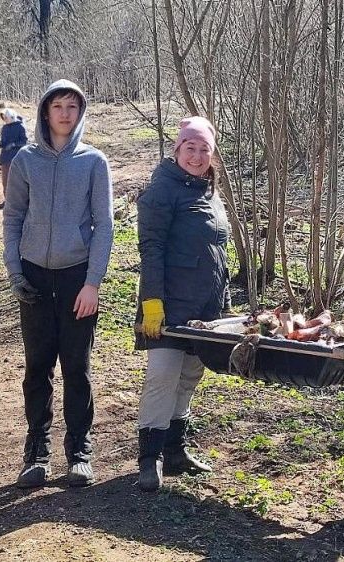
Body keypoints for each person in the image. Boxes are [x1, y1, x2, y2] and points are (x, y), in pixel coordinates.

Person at [2, 79, 114, 488]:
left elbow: (104, 225)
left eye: (72, 106)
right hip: (33, 274)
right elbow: (13, 217)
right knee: (37, 368)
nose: (65, 113)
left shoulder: (93, 162)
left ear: (80, 113)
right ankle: (36, 452)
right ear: (44, 112)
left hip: (76, 278)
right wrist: (15, 271)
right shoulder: (26, 161)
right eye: (58, 106)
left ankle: (80, 452)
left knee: (77, 367)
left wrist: (93, 283)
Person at [134, 116, 229, 492]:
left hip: (204, 308)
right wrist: (152, 303)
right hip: (169, 304)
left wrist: (220, 304)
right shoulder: (162, 190)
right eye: (190, 147)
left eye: (205, 149)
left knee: (190, 375)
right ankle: (149, 457)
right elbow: (151, 249)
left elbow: (215, 251)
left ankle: (175, 450)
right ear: (177, 149)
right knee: (162, 376)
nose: (197, 155)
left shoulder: (208, 190)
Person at [0, 108, 28, 210]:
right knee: (5, 181)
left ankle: (19, 202)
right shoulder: (5, 128)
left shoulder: (20, 126)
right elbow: (3, 141)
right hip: (5, 157)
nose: (4, 119)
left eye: (6, 117)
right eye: (3, 118)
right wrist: (1, 144)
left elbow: (24, 142)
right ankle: (7, 201)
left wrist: (14, 144)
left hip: (17, 157)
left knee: (17, 181)